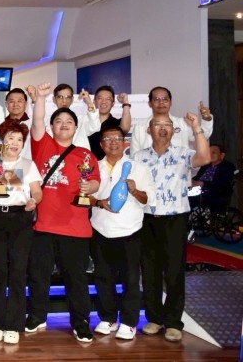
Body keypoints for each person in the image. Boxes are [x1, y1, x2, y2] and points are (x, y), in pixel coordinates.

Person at [26, 82, 100, 344]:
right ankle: (37, 316)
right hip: (44, 227)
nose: (64, 125)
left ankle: (81, 323)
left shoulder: (86, 155)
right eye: (58, 121)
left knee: (76, 279)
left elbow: (95, 182)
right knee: (38, 276)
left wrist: (89, 187)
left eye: (69, 121)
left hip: (75, 228)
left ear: (76, 128)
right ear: (52, 126)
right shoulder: (43, 146)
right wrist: (41, 98)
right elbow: (37, 122)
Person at [134, 112, 210, 342]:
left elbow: (204, 158)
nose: (162, 128)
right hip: (146, 219)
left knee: (174, 272)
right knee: (150, 272)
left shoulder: (183, 154)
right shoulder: (138, 157)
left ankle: (174, 322)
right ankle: (154, 319)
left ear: (173, 130)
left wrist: (197, 127)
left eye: (167, 124)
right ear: (149, 130)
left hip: (175, 219)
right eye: (157, 125)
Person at [90, 124, 155, 341]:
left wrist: (134, 190)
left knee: (130, 278)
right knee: (103, 277)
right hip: (100, 229)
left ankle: (129, 322)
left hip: (130, 231)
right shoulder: (93, 167)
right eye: (108, 139)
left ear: (125, 142)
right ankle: (108, 318)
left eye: (117, 138)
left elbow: (148, 199)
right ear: (101, 145)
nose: (113, 143)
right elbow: (83, 197)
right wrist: (98, 202)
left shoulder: (138, 168)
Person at [0, 120, 42, 345]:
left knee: (17, 272)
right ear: (2, 141)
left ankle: (15, 324)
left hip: (20, 218)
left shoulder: (28, 164)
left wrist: (34, 201)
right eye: (10, 138)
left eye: (19, 139)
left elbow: (37, 191)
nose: (15, 143)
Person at [129, 86, 213, 155]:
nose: (161, 102)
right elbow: (134, 157)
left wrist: (206, 119)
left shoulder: (182, 123)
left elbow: (204, 135)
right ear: (150, 103)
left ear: (171, 102)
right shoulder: (139, 127)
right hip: (148, 170)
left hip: (179, 170)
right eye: (156, 99)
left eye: (165, 99)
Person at [29, 83, 100, 150]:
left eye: (68, 97)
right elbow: (37, 118)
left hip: (79, 158)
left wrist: (89, 103)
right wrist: (35, 99)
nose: (64, 101)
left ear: (72, 99)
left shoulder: (81, 120)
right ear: (54, 99)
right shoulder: (47, 120)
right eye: (60, 97)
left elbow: (95, 126)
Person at [86, 85, 132, 160]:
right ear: (94, 101)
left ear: (113, 103)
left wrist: (125, 102)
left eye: (108, 99)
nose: (104, 102)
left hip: (110, 164)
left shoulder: (116, 124)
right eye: (100, 98)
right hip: (86, 164)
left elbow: (125, 128)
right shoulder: (84, 121)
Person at [191, 143, 236, 214]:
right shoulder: (205, 165)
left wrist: (203, 183)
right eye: (208, 153)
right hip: (199, 190)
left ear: (222, 155)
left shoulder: (228, 166)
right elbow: (198, 177)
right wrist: (192, 181)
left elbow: (222, 183)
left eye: (213, 153)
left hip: (215, 192)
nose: (210, 155)